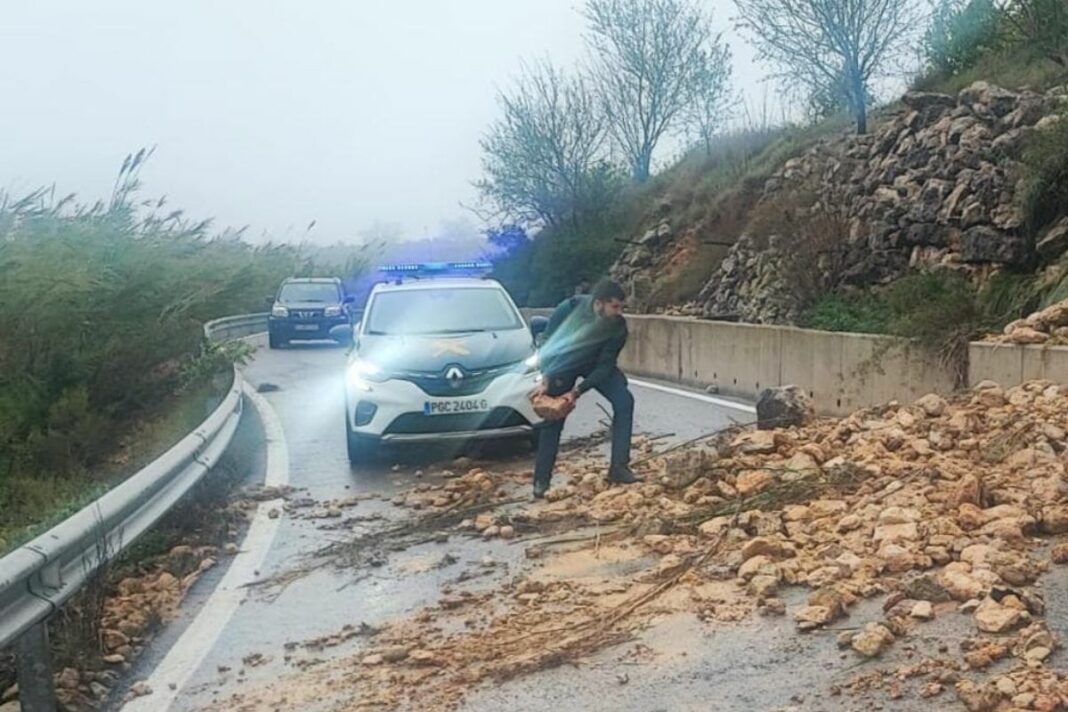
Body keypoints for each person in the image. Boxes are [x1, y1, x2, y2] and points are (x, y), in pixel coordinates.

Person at [531, 278, 640, 499]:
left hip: (595, 362)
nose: (619, 312)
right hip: (564, 363)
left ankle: (619, 468)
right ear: (599, 303)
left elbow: (605, 366)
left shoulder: (618, 327)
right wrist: (546, 378)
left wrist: (577, 392)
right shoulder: (569, 309)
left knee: (624, 401)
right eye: (614, 307)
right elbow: (547, 344)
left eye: (621, 307)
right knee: (554, 417)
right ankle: (541, 481)